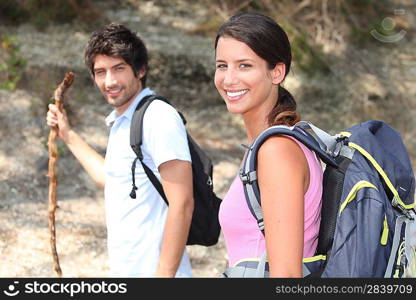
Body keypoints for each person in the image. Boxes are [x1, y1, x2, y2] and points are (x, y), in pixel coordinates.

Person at [46, 23, 194, 277]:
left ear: (140, 69)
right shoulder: (124, 120)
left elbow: (183, 203)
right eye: (100, 72)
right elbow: (112, 179)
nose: (109, 81)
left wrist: (164, 277)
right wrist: (68, 135)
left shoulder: (158, 117)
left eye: (119, 69)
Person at [215, 12, 323, 277]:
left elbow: (286, 274)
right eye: (221, 65)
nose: (228, 79)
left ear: (276, 72)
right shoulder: (267, 144)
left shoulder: (277, 151)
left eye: (244, 65)